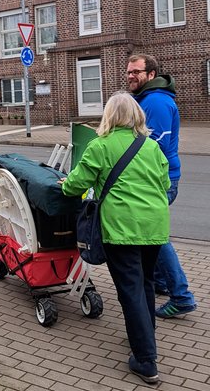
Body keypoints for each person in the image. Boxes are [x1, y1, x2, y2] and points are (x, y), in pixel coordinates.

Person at [60, 92, 170, 384]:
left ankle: (146, 360)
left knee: (130, 290)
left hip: (122, 228)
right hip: (155, 225)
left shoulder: (100, 146)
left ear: (109, 116)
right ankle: (146, 334)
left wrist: (65, 184)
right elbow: (166, 183)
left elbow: (75, 185)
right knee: (145, 283)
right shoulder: (152, 146)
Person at [127, 53, 197, 318]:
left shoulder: (155, 102)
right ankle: (163, 283)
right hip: (155, 177)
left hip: (158, 179)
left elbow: (152, 147)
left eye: (136, 72)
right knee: (152, 235)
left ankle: (182, 296)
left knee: (156, 236)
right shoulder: (146, 98)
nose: (131, 76)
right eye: (129, 71)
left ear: (151, 75)